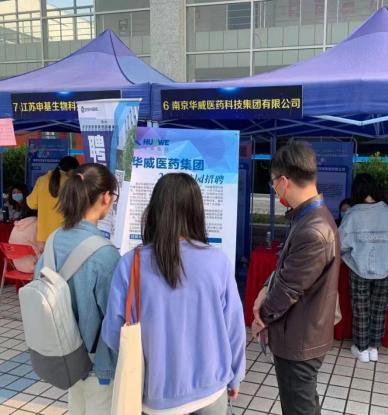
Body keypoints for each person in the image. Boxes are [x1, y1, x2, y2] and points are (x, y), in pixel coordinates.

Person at [102, 173, 246, 415]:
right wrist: (235, 375)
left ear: (154, 211)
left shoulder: (130, 264)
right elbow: (234, 329)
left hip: (155, 396)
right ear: (196, 211)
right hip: (211, 390)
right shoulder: (217, 261)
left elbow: (113, 333)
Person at [252, 141, 340, 415]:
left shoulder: (313, 228)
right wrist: (264, 288)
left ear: (283, 182)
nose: (275, 190)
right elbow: (287, 267)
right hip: (301, 331)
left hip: (300, 337)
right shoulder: (309, 216)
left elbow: (288, 290)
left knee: (299, 408)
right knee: (303, 404)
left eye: (273, 184)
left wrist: (261, 316)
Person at [34, 163, 120, 414]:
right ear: (106, 197)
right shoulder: (105, 255)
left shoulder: (53, 240)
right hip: (97, 366)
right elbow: (114, 319)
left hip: (66, 359)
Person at [339, 173, 388, 363]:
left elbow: (341, 243)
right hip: (385, 269)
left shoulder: (353, 214)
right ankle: (374, 348)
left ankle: (361, 349)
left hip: (359, 268)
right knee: (379, 309)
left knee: (361, 309)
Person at [27, 156, 79, 242]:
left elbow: (31, 204)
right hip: (65, 234)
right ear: (72, 171)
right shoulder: (71, 183)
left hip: (44, 235)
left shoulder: (41, 180)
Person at [8, 202, 43, 273]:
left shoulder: (17, 225)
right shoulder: (37, 224)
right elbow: (42, 247)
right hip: (34, 267)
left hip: (18, 266)